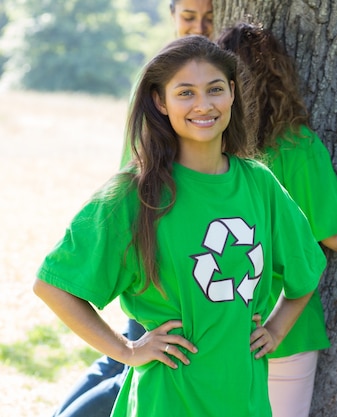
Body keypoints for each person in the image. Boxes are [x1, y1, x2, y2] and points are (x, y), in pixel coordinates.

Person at [34, 35, 326, 417]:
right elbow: (53, 285)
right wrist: (127, 350)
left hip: (245, 400)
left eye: (215, 89)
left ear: (233, 93)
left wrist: (275, 330)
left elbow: (305, 270)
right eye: (185, 93)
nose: (203, 105)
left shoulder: (259, 184)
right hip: (168, 400)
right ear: (160, 101)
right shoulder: (134, 194)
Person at [217, 22, 337, 417]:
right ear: (277, 76)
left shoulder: (211, 153)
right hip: (286, 328)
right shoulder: (295, 146)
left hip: (218, 323)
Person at [50, 2, 215, 416]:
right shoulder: (160, 80)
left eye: (210, 16)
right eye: (190, 16)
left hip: (178, 245)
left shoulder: (213, 85)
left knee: (119, 361)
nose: (200, 26)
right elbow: (138, 169)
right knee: (130, 360)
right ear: (172, 14)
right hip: (157, 239)